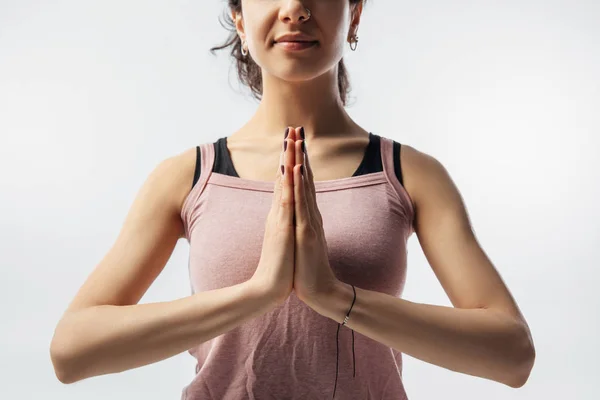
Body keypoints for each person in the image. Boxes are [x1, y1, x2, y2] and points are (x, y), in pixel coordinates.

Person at [50, 1, 536, 399]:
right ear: (240, 19)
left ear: (355, 14)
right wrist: (257, 292)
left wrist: (334, 296)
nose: (296, 9)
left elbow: (512, 356)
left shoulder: (411, 174)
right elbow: (72, 352)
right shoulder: (187, 176)